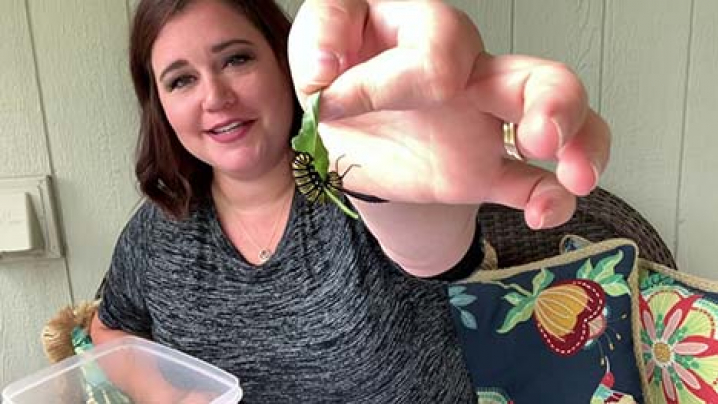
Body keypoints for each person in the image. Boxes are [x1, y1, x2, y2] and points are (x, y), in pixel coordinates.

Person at [90, 0, 610, 402]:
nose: (215, 96)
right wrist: (164, 392)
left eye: (237, 59)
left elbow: (430, 248)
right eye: (181, 80)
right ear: (158, 104)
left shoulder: (366, 181)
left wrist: (412, 180)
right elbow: (110, 326)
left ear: (282, 61)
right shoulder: (157, 233)